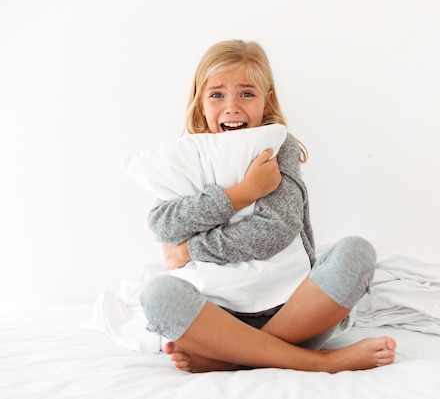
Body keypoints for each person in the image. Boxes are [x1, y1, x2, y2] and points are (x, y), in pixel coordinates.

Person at [140, 39, 396, 373]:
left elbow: (272, 231)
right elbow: (163, 224)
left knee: (356, 252)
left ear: (266, 100)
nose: (231, 106)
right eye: (217, 94)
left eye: (246, 93)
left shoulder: (278, 146)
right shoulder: (186, 155)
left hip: (292, 310)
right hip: (218, 314)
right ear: (200, 103)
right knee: (157, 294)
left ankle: (232, 357)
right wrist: (242, 194)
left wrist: (188, 251)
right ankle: (316, 362)